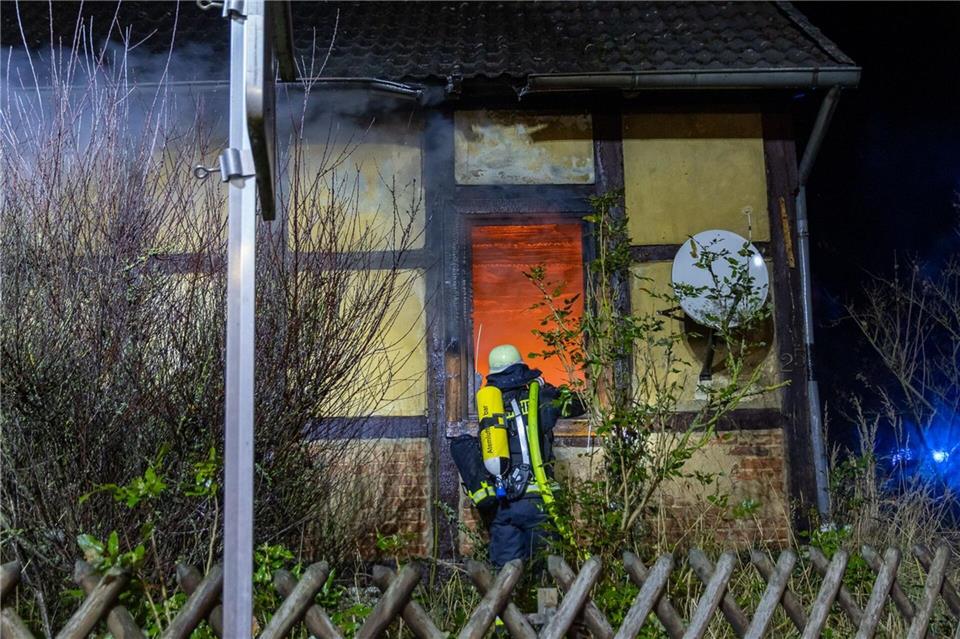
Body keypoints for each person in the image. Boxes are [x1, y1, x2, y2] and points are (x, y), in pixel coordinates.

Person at [450, 344, 583, 567]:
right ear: (521, 366)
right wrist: (547, 386)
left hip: (503, 504)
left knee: (505, 574)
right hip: (540, 500)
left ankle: (508, 601)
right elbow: (579, 404)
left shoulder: (489, 403)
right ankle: (545, 601)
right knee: (545, 570)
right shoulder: (541, 396)